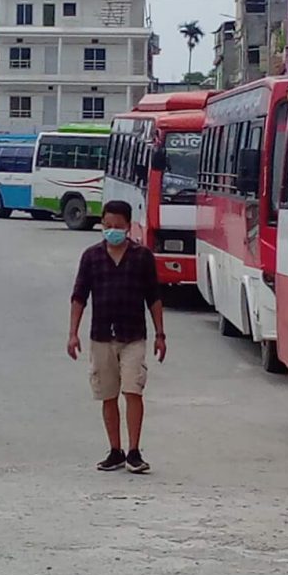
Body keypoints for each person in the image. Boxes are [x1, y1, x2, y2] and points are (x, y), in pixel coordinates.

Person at [67, 198, 166, 475]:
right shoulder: (91, 257)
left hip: (134, 335)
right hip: (101, 337)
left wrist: (161, 334)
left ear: (128, 226)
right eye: (107, 225)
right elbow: (79, 296)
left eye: (118, 226)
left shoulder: (142, 257)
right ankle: (115, 451)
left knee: (133, 390)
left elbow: (154, 298)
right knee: (107, 394)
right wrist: (72, 334)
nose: (112, 230)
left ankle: (134, 451)